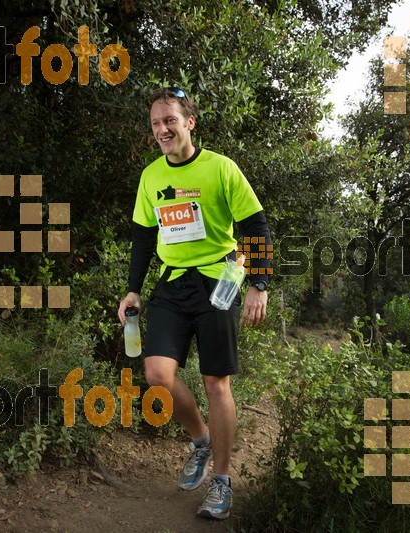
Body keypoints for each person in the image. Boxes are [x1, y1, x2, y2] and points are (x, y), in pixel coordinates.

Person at [117, 87, 272, 520]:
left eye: (169, 120)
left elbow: (255, 224)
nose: (162, 129)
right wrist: (133, 289)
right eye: (155, 124)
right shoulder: (151, 177)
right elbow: (144, 238)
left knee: (215, 382)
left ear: (190, 122)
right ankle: (201, 440)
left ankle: (221, 482)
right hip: (171, 286)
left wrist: (259, 282)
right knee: (156, 373)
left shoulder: (220, 169)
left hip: (218, 284)